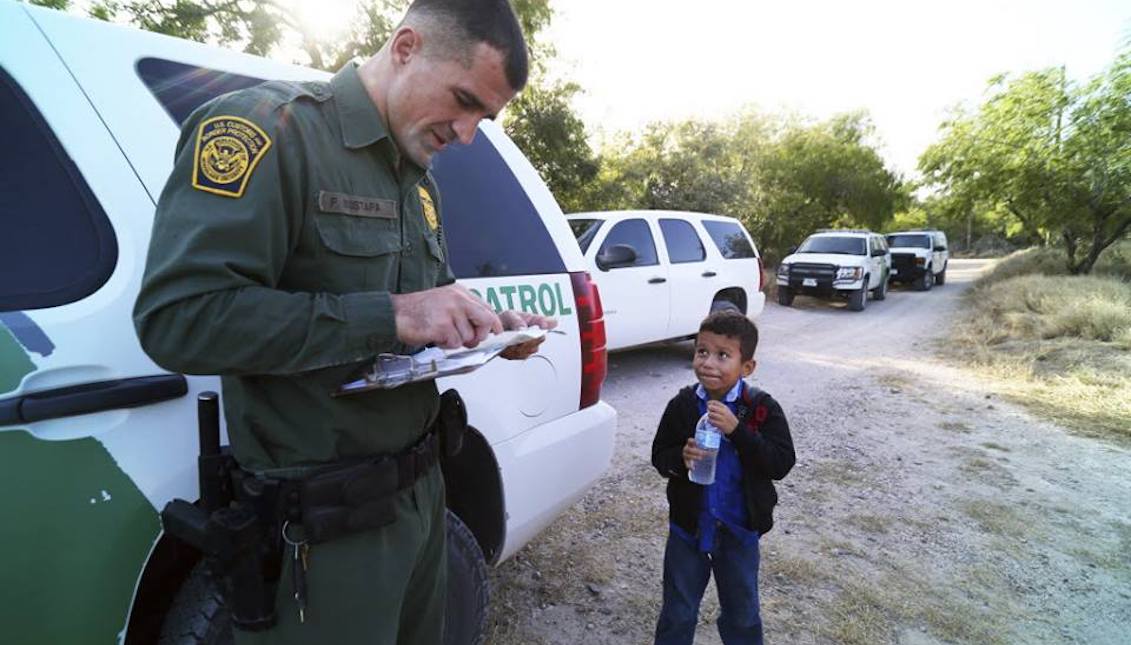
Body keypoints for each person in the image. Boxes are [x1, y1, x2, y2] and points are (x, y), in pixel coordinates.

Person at [133, 1, 547, 643]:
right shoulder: (268, 131)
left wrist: (490, 329)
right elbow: (178, 320)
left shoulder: (420, 182)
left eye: (483, 118)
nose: (467, 134)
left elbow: (421, 314)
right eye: (463, 100)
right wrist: (392, 315)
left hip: (422, 501)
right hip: (322, 535)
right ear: (407, 46)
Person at [650, 311, 796, 645]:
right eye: (702, 351)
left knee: (742, 612)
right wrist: (680, 459)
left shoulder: (760, 408)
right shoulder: (683, 405)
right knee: (678, 610)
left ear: (747, 368)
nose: (709, 363)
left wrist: (738, 430)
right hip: (689, 529)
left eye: (723, 355)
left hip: (739, 531)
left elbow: (781, 463)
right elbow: (660, 455)